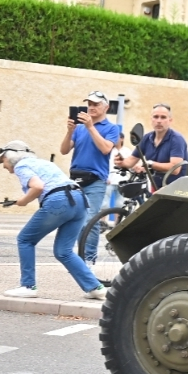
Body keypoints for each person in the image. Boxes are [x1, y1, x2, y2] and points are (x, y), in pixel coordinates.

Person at [0, 141, 104, 300]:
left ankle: (28, 286)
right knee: (64, 251)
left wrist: (23, 201)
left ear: (11, 156)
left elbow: (38, 187)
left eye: (3, 160)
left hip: (60, 200)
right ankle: (95, 288)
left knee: (25, 239)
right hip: (80, 199)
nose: (3, 166)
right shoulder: (42, 163)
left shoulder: (21, 166)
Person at [59, 90, 122, 265]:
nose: (91, 107)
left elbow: (105, 149)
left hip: (95, 180)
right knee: (75, 218)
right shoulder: (80, 128)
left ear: (106, 107)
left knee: (90, 220)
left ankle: (89, 259)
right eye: (90, 104)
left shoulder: (112, 128)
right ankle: (78, 258)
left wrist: (90, 127)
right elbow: (64, 150)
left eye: (96, 104)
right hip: (76, 178)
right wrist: (70, 131)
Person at [114, 104, 188, 189]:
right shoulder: (146, 138)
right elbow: (131, 161)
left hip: (176, 190)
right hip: (156, 187)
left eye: (163, 117)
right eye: (156, 117)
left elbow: (175, 169)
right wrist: (121, 162)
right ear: (151, 119)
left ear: (170, 120)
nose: (159, 121)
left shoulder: (176, 139)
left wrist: (150, 164)